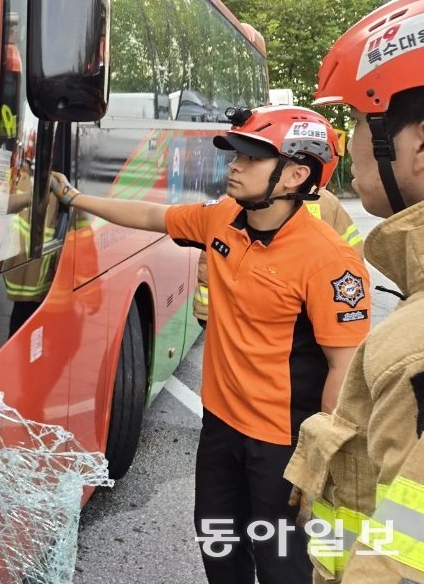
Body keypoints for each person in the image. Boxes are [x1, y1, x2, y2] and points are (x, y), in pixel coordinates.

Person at [49, 105, 371, 584]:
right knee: (219, 547)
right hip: (220, 425)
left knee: (282, 564)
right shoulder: (223, 218)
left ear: (295, 175)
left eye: (250, 159)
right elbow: (153, 215)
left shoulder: (329, 260)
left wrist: (319, 463)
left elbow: (345, 368)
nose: (233, 166)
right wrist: (77, 199)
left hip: (282, 442)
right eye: (235, 155)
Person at [285, 0, 424, 583]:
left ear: (418, 147)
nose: (351, 147)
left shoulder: (412, 352)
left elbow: (398, 562)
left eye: (361, 122)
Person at [193, 188, 364, 327]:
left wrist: (205, 312)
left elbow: (211, 262)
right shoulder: (327, 202)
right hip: (309, 314)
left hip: (251, 318)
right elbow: (353, 257)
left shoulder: (238, 202)